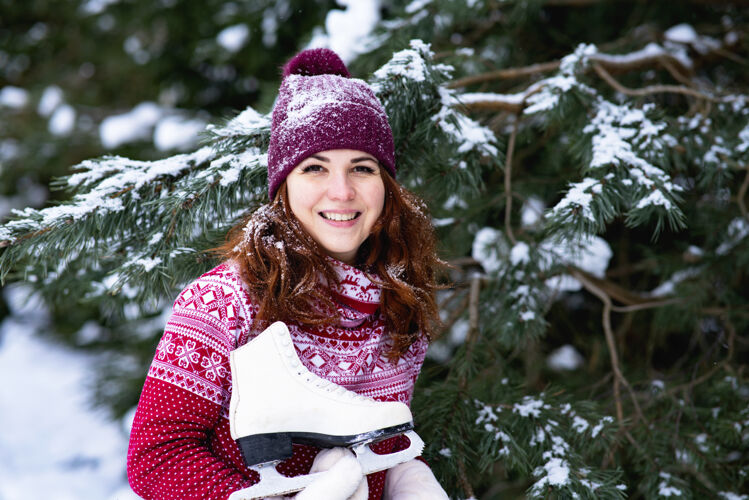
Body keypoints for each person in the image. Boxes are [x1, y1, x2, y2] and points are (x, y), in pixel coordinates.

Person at [127, 48, 448, 500]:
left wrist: (403, 477)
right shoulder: (225, 300)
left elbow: (376, 442)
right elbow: (157, 456)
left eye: (362, 167)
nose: (342, 191)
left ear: (386, 186)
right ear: (283, 186)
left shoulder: (398, 302)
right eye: (314, 167)